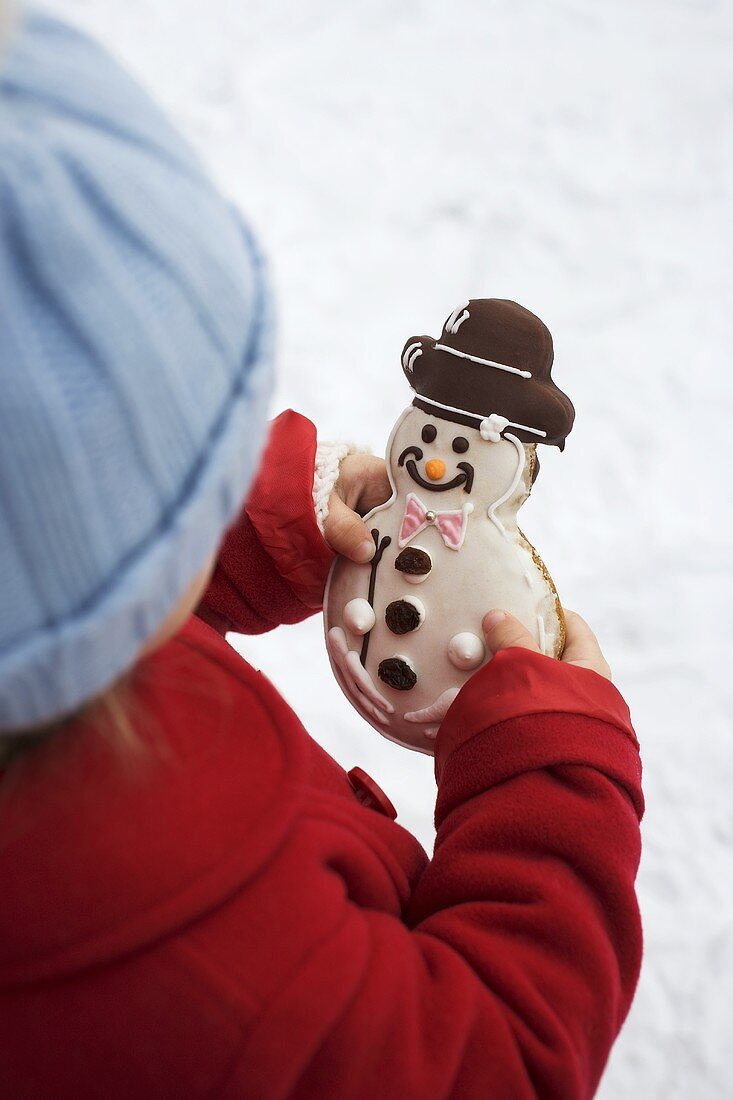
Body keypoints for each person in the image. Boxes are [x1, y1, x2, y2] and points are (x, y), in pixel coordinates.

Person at [0, 9, 643, 1100]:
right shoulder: (217, 959)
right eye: (190, 467)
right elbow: (490, 1065)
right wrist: (553, 787)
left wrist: (241, 528)